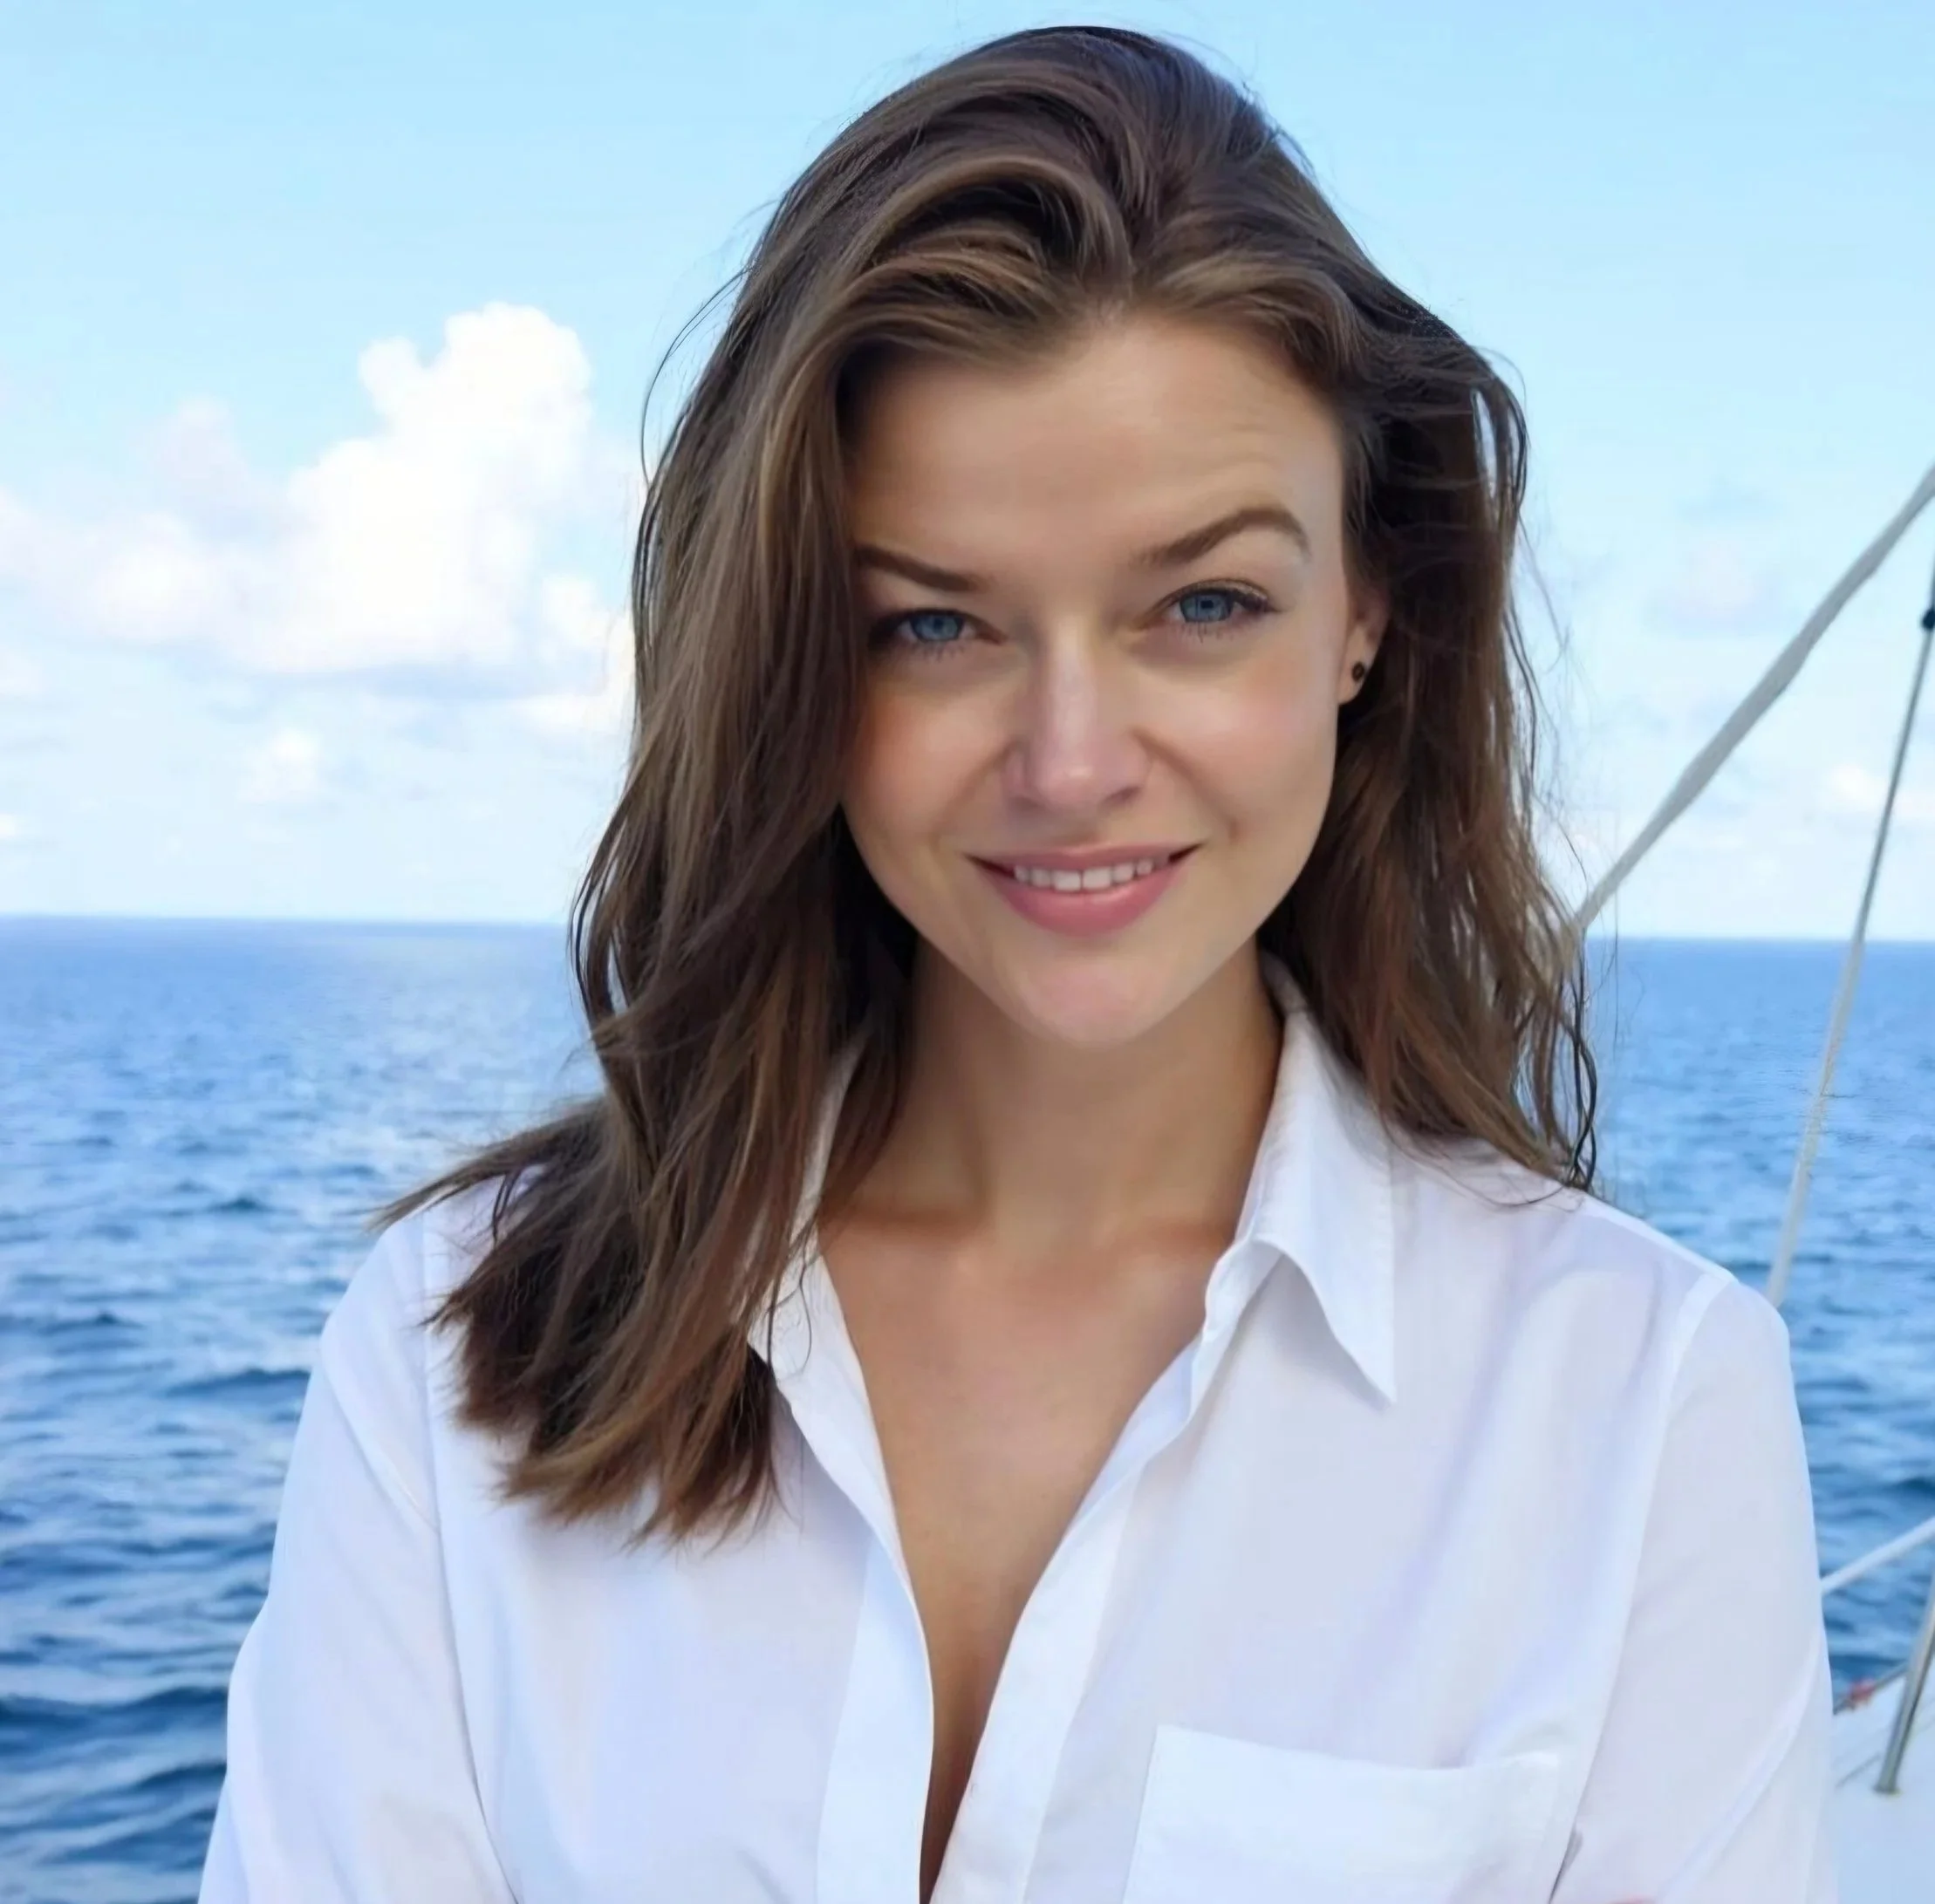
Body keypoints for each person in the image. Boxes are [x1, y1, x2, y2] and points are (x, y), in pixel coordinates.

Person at [196, 24, 1837, 1904]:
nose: (1067, 762)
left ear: (1368, 609)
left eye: (1200, 603)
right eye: (932, 623)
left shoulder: (1639, 1404)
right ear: (797, 658)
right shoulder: (450, 1351)